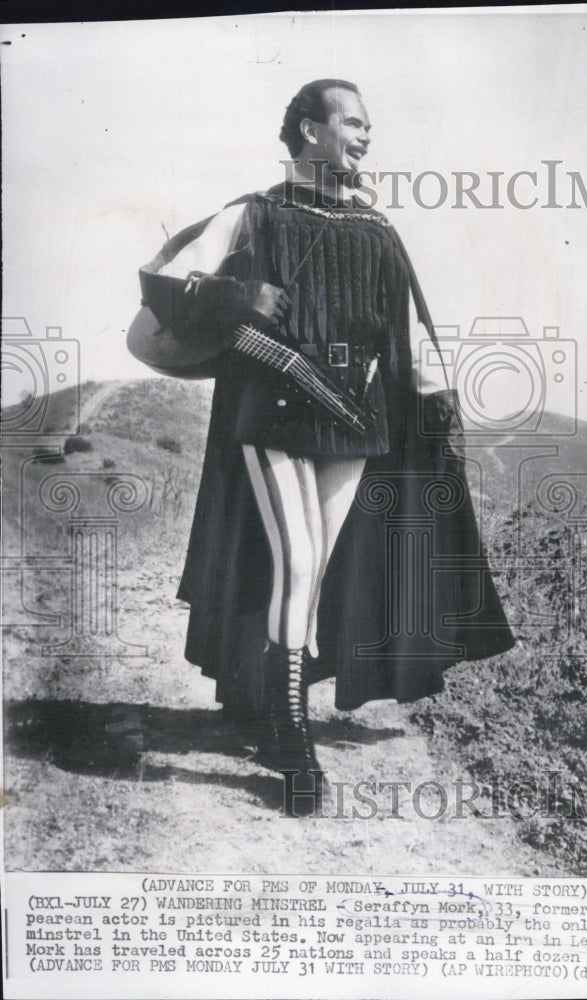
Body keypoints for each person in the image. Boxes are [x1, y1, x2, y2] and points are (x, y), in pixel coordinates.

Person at [132, 79, 515, 804]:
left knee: (314, 571)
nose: (366, 137)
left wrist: (438, 412)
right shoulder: (251, 213)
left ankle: (281, 721)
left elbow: (408, 332)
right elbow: (166, 285)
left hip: (354, 416)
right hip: (270, 409)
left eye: (370, 127)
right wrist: (236, 301)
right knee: (299, 564)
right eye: (353, 123)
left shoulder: (376, 230)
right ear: (310, 131)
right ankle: (293, 742)